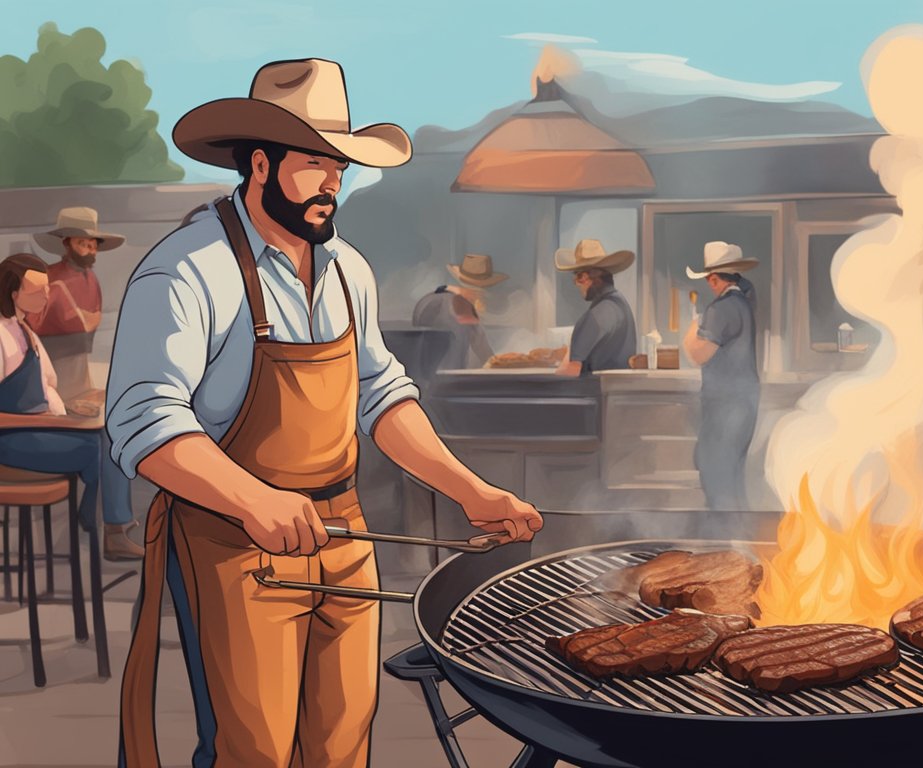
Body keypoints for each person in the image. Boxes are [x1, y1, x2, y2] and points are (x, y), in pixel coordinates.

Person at [111, 59, 542, 768]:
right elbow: (145, 423)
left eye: (338, 166)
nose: (330, 184)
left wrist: (474, 492)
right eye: (314, 163)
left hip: (344, 537)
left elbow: (382, 396)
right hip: (234, 545)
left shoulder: (348, 270)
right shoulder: (189, 269)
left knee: (343, 747)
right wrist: (254, 499)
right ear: (259, 162)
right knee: (255, 754)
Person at [29, 207, 142, 560]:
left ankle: (102, 515)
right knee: (109, 434)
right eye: (83, 243)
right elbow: (29, 348)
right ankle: (112, 527)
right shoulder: (47, 283)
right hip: (51, 387)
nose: (90, 250)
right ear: (66, 244)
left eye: (93, 244)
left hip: (79, 377)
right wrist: (55, 400)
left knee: (128, 414)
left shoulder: (91, 281)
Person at [0, 253, 104, 534]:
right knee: (96, 449)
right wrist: (44, 420)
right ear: (13, 293)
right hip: (11, 443)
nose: (47, 296)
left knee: (104, 437)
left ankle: (97, 520)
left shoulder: (25, 330)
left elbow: (49, 383)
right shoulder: (1, 335)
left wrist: (65, 414)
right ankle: (95, 524)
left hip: (38, 430)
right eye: (37, 291)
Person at [682, 241, 760, 511]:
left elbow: (698, 354)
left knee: (715, 473)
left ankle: (723, 535)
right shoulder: (745, 302)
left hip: (724, 405)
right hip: (744, 402)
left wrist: (693, 328)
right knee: (732, 475)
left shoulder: (721, 309)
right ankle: (737, 538)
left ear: (714, 279)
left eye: (709, 280)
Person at [554, 238, 636, 376]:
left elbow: (571, 370)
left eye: (579, 278)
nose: (577, 284)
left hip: (595, 392)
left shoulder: (597, 315)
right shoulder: (620, 303)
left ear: (590, 278)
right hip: (616, 390)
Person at [410, 253, 502, 373]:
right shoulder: (462, 307)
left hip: (422, 374)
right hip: (450, 377)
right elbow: (485, 354)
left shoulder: (430, 299)